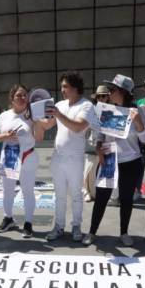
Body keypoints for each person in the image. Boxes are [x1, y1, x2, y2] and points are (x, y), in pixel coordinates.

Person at [83, 75, 145, 246]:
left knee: (126, 199)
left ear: (124, 92)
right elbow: (100, 133)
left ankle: (124, 232)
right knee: (101, 198)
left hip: (131, 162)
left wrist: (138, 122)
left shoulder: (137, 111)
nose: (109, 93)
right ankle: (92, 232)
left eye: (112, 90)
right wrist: (98, 147)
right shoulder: (107, 109)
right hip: (108, 160)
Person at [39, 71, 97, 241]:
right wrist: (33, 117)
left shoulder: (87, 106)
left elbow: (78, 127)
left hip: (75, 158)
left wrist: (57, 114)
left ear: (76, 88)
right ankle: (58, 226)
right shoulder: (60, 105)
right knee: (60, 195)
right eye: (62, 86)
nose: (62, 90)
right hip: (58, 157)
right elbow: (48, 124)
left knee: (77, 195)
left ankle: (76, 226)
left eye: (66, 86)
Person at [0, 84, 46, 238]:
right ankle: (8, 218)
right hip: (9, 157)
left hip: (27, 157)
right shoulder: (4, 115)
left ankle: (28, 223)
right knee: (7, 190)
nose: (22, 98)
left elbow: (39, 138)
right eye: (19, 95)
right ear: (12, 98)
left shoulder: (32, 115)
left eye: (24, 95)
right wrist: (5, 136)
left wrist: (38, 122)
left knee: (27, 191)